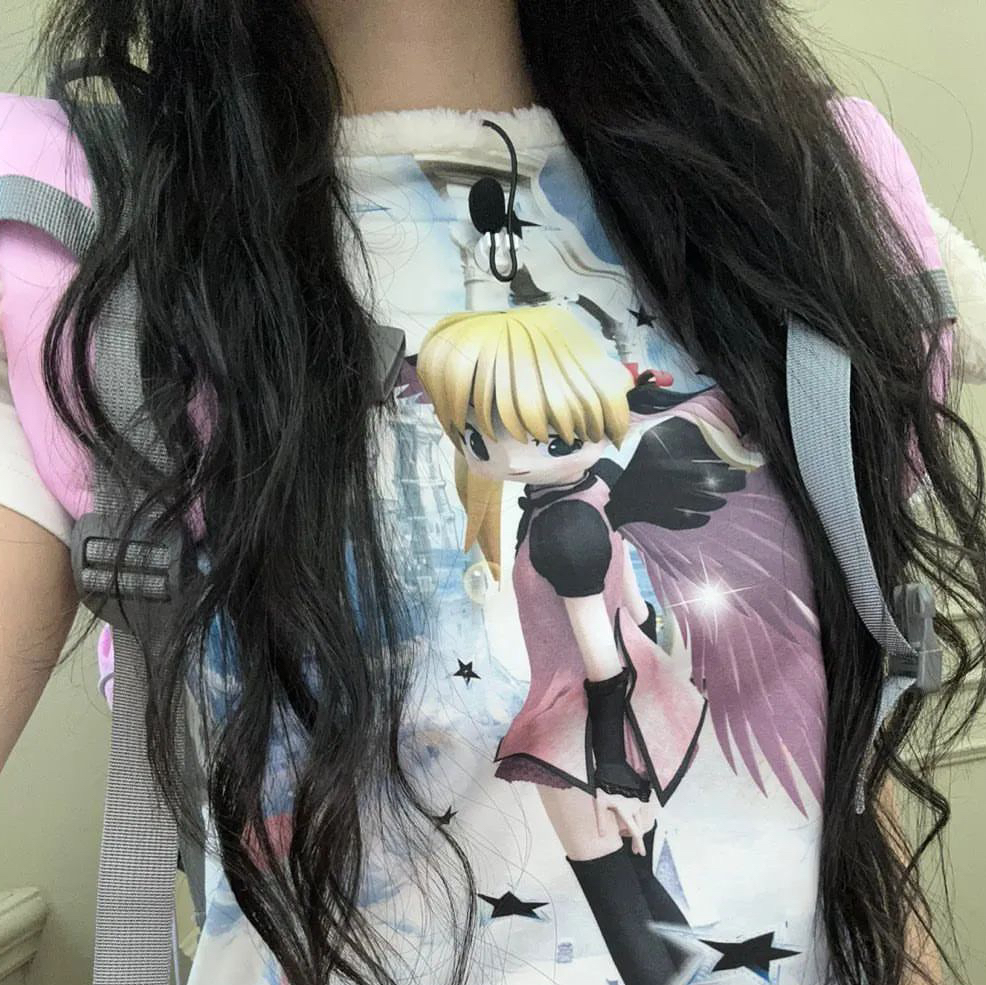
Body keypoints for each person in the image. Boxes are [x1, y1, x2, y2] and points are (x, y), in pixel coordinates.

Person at [1, 2, 985, 985]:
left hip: (602, 743)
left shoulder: (792, 200)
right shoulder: (81, 233)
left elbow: (832, 741)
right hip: (574, 739)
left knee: (639, 901)